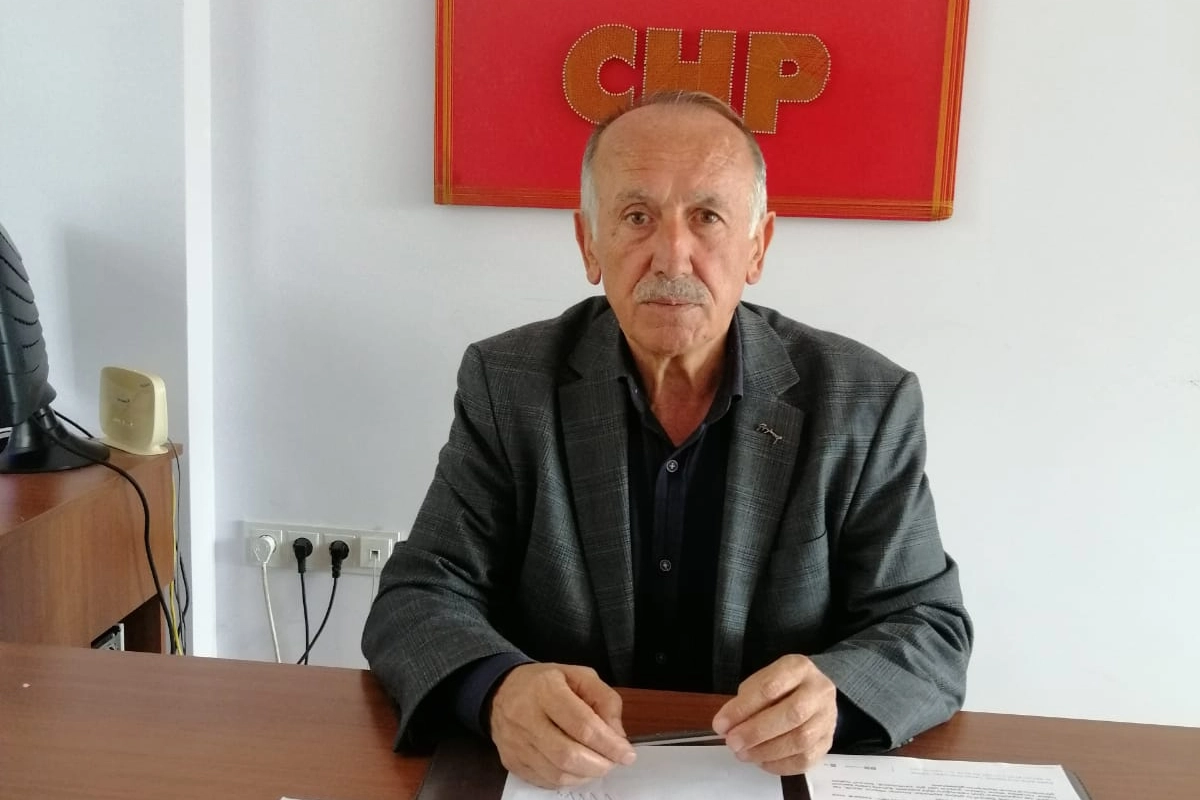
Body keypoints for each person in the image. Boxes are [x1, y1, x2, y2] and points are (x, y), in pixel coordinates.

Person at [362, 90, 972, 789]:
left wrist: (835, 698)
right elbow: (418, 594)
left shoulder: (863, 402)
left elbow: (929, 627)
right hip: (567, 779)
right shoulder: (510, 385)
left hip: (766, 779)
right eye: (636, 217)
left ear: (757, 246)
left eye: (707, 217)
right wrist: (497, 689)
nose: (672, 257)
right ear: (589, 243)